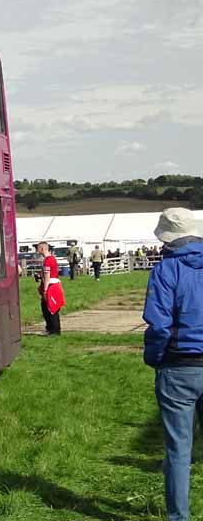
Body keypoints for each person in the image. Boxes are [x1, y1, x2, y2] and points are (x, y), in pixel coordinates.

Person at [143, 208, 203, 521]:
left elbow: (159, 325)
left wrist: (153, 357)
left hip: (179, 366)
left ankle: (179, 516)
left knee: (179, 450)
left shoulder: (166, 270)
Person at [36, 242, 62, 335]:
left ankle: (54, 330)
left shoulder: (48, 260)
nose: (37, 250)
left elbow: (47, 276)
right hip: (51, 285)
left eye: (38, 248)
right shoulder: (50, 259)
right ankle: (51, 329)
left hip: (51, 286)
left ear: (42, 249)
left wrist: (45, 290)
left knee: (50, 309)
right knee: (46, 308)